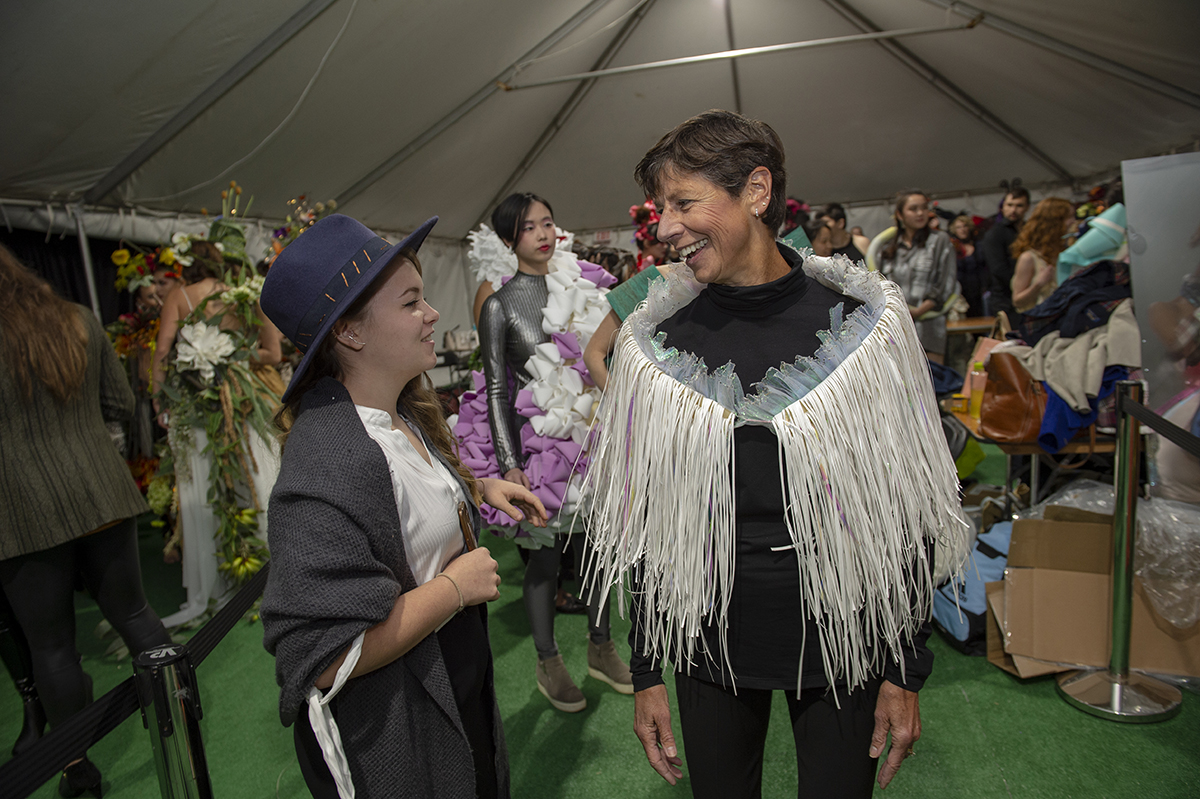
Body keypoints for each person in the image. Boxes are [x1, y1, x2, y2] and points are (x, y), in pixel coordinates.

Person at [583, 110, 967, 798]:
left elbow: (905, 510)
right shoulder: (653, 344)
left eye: (684, 202)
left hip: (846, 631)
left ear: (756, 190)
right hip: (708, 638)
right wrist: (646, 671)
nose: (665, 227)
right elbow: (646, 524)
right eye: (660, 207)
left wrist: (906, 666)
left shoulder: (867, 324)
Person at [259, 214, 547, 799]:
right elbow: (324, 656)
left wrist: (476, 489)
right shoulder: (329, 458)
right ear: (351, 333)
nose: (433, 313)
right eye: (411, 301)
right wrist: (454, 590)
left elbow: (403, 498)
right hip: (398, 726)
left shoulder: (395, 414)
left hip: (446, 680)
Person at [0, 244, 172, 797]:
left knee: (52, 647)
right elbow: (120, 405)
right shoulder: (77, 319)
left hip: (22, 511)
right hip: (102, 491)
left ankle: (79, 771)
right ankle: (175, 714)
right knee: (135, 612)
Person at [476, 192, 632, 712]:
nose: (543, 234)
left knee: (600, 550)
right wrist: (509, 463)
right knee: (544, 559)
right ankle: (548, 662)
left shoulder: (586, 281)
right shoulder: (498, 305)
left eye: (548, 222)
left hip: (595, 436)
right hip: (539, 449)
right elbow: (496, 388)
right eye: (528, 228)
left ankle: (600, 646)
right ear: (508, 240)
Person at [878, 189, 959, 364]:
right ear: (900, 215)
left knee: (933, 381)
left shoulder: (940, 240)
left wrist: (918, 311)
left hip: (929, 326)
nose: (920, 213)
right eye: (913, 209)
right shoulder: (887, 247)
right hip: (896, 327)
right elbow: (879, 284)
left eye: (924, 208)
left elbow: (946, 282)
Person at [1010, 197, 1075, 314]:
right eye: (1068, 217)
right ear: (1055, 221)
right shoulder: (1029, 258)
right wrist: (1039, 285)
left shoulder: (1066, 253)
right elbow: (1017, 301)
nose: (1073, 222)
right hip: (1042, 321)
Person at [981, 186, 1030, 319]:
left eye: (1019, 205)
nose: (1013, 210)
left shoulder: (1028, 231)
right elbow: (998, 269)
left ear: (1027, 207)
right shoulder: (995, 234)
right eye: (1009, 205)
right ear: (1003, 207)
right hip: (1004, 299)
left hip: (1027, 296)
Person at [951, 215, 987, 317]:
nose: (962, 230)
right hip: (961, 291)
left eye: (964, 226)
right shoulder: (952, 247)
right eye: (958, 227)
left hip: (979, 289)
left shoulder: (978, 245)